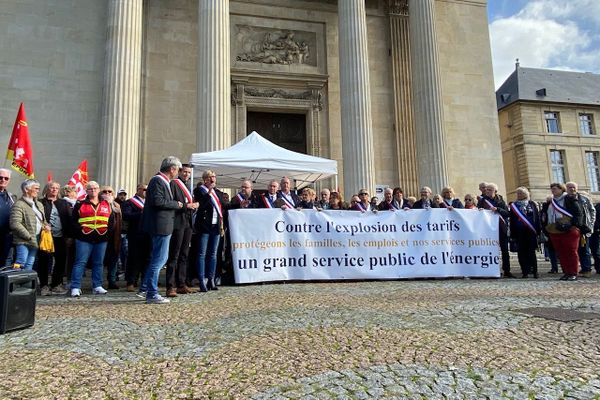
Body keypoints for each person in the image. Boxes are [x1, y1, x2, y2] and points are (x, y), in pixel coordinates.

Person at [141, 156, 183, 304]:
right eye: (177, 169)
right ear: (172, 169)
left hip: (163, 225)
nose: (178, 172)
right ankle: (151, 293)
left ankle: (145, 288)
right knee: (159, 259)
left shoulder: (163, 181)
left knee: (158, 258)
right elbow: (158, 201)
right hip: (160, 225)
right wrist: (176, 204)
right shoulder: (157, 180)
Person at [69, 181, 114, 297]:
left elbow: (111, 221)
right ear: (86, 191)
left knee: (98, 263)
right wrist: (80, 231)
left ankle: (97, 285)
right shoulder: (80, 204)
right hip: (84, 238)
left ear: (98, 190)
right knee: (80, 262)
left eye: (95, 188)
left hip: (101, 237)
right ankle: (75, 286)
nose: (93, 190)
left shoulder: (107, 204)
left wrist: (107, 234)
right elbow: (73, 221)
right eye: (90, 188)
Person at [166, 164, 198, 297]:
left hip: (188, 222)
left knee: (184, 254)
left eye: (189, 173)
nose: (186, 174)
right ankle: (170, 286)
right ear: (179, 172)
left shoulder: (188, 186)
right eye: (184, 172)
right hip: (178, 222)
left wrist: (194, 206)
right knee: (174, 254)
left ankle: (181, 283)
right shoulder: (174, 184)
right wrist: (187, 206)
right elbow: (172, 203)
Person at [541, 183, 584, 281]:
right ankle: (566, 272)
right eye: (552, 189)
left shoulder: (569, 199)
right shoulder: (550, 202)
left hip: (569, 230)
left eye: (555, 189)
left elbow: (578, 213)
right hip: (555, 230)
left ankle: (573, 272)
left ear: (561, 189)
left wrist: (574, 225)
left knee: (571, 252)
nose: (553, 191)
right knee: (561, 252)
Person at [194, 170, 226, 292]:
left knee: (213, 254)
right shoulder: (199, 190)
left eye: (214, 177)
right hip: (204, 225)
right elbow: (202, 204)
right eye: (210, 177)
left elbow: (224, 205)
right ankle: (202, 280)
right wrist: (209, 192)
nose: (213, 179)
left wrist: (239, 205)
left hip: (215, 226)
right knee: (202, 254)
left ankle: (211, 279)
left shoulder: (217, 192)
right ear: (205, 179)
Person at [37, 181, 70, 295]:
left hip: (60, 237)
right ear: (47, 189)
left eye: (57, 188)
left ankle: (56, 284)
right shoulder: (40, 202)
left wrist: (69, 236)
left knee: (60, 261)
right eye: (52, 187)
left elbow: (68, 219)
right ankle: (44, 285)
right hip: (46, 237)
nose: (54, 189)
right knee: (44, 261)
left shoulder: (63, 203)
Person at [10, 179, 48, 270]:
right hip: (24, 240)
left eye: (38, 189)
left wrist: (46, 226)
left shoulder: (39, 204)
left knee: (30, 263)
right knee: (20, 262)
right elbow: (15, 223)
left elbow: (43, 220)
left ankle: (26, 284)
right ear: (26, 189)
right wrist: (29, 236)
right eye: (36, 188)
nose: (38, 191)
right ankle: (16, 283)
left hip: (37, 238)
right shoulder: (18, 204)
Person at [477, 183, 513, 278]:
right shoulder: (482, 201)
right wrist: (480, 211)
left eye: (489, 190)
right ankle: (490, 270)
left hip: (501, 229)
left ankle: (507, 270)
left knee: (504, 250)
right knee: (488, 250)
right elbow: (477, 214)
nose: (487, 191)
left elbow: (507, 213)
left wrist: (498, 209)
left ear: (495, 191)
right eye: (486, 189)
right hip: (488, 230)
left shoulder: (500, 201)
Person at [122, 183, 150, 292]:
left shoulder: (149, 203)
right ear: (138, 190)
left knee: (147, 258)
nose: (146, 191)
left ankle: (145, 281)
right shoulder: (130, 202)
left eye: (147, 189)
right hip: (135, 234)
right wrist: (141, 213)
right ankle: (131, 281)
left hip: (148, 234)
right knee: (134, 258)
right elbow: (126, 215)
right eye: (144, 189)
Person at [509, 187, 541, 278]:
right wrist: (512, 234)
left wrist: (538, 231)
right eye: (517, 193)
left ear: (525, 194)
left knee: (531, 253)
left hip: (531, 232)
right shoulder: (514, 205)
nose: (518, 195)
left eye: (520, 193)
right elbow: (512, 220)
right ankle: (525, 272)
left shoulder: (532, 204)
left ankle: (535, 271)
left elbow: (536, 218)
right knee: (521, 253)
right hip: (519, 233)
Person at [566, 182, 595, 277]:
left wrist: (590, 224)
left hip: (583, 227)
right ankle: (576, 269)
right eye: (570, 187)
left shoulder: (584, 199)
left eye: (573, 187)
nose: (572, 189)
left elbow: (592, 211)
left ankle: (587, 269)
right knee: (574, 250)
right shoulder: (564, 199)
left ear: (577, 188)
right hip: (570, 228)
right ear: (566, 188)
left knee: (584, 250)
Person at [99, 186, 122, 289]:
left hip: (114, 237)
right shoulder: (98, 204)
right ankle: (98, 282)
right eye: (105, 191)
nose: (107, 193)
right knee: (99, 260)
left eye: (110, 191)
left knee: (113, 260)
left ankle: (112, 280)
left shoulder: (117, 206)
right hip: (101, 236)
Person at [0, 168, 16, 266]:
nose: (3, 180)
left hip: (6, 237)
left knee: (3, 264)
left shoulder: (11, 197)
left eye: (6, 178)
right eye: (0, 177)